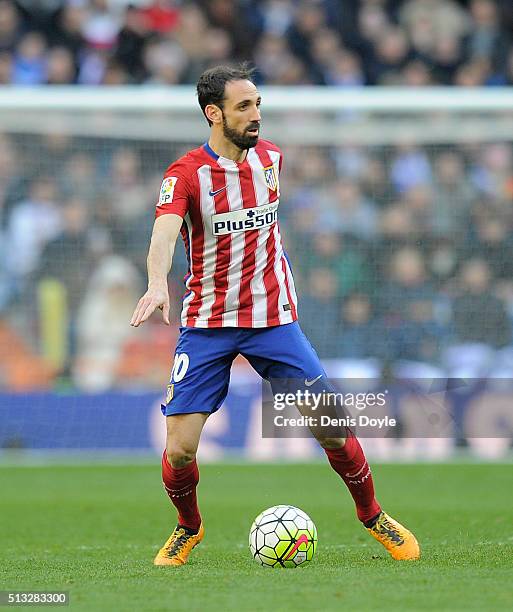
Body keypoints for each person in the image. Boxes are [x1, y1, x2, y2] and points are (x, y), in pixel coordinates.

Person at [130, 64, 420, 566]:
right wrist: (158, 282)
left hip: (273, 317)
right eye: (244, 107)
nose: (256, 115)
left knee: (331, 426)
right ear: (213, 114)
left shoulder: (271, 158)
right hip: (207, 322)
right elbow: (164, 230)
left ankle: (373, 515)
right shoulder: (186, 175)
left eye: (258, 104)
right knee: (179, 449)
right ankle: (188, 527)